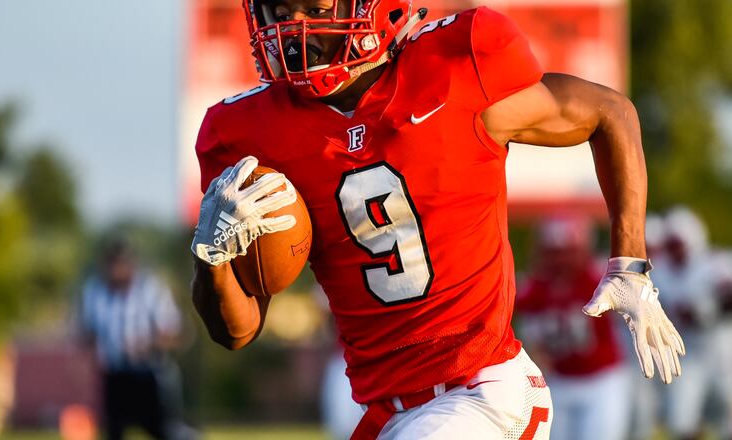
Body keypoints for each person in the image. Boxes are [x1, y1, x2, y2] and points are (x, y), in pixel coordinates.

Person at [188, 1, 685, 438]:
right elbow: (236, 331)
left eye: (314, 10)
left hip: (485, 392)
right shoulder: (246, 135)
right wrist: (211, 259)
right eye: (279, 12)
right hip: (389, 413)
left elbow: (610, 112)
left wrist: (630, 265)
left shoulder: (456, 67)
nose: (291, 30)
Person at [516, 217, 631, 440]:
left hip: (601, 378)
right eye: (553, 252)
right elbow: (532, 343)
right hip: (559, 380)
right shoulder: (534, 288)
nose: (560, 260)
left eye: (566, 251)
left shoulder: (598, 278)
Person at [79, 239, 194, 440]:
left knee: (163, 429)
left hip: (149, 373)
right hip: (114, 375)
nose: (116, 270)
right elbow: (88, 334)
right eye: (112, 263)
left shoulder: (151, 291)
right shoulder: (95, 292)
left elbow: (176, 334)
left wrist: (147, 344)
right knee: (114, 430)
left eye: (120, 263)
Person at [651, 207, 727, 440]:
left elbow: (727, 296)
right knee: (681, 419)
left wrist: (707, 311)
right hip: (687, 354)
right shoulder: (660, 271)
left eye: (678, 243)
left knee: (727, 410)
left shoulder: (715, 264)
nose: (674, 249)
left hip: (721, 351)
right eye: (670, 243)